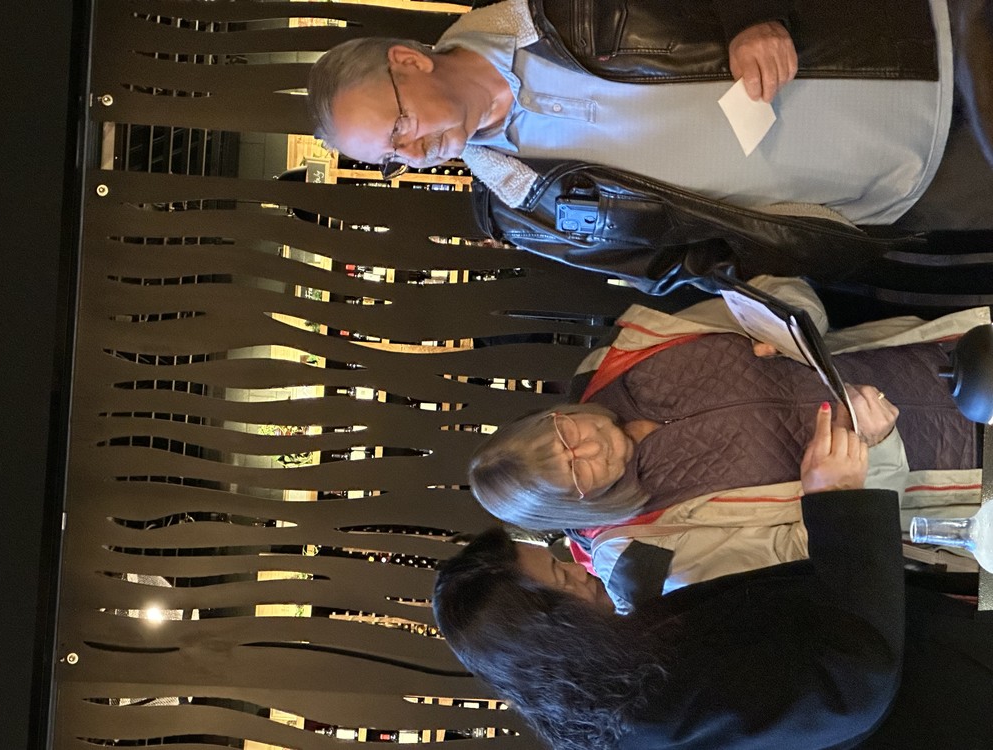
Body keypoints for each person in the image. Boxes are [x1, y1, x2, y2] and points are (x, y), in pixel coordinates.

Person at [433, 407, 993, 750]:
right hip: (948, 704)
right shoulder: (651, 717)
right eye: (561, 574)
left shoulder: (624, 668)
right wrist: (839, 503)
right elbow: (849, 688)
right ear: (554, 633)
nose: (579, 572)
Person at [468, 276, 986, 605]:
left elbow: (772, 295)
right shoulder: (640, 556)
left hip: (945, 355)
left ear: (554, 414)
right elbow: (814, 560)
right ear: (572, 508)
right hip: (964, 483)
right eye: (574, 472)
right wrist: (876, 449)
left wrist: (786, 320)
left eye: (565, 435)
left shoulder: (621, 356)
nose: (587, 449)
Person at [308, 0, 992, 232]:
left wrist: (753, 15)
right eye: (392, 159)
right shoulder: (527, 211)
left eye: (399, 128)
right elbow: (674, 257)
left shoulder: (556, 11)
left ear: (410, 61)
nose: (415, 153)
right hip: (903, 187)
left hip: (922, 41)